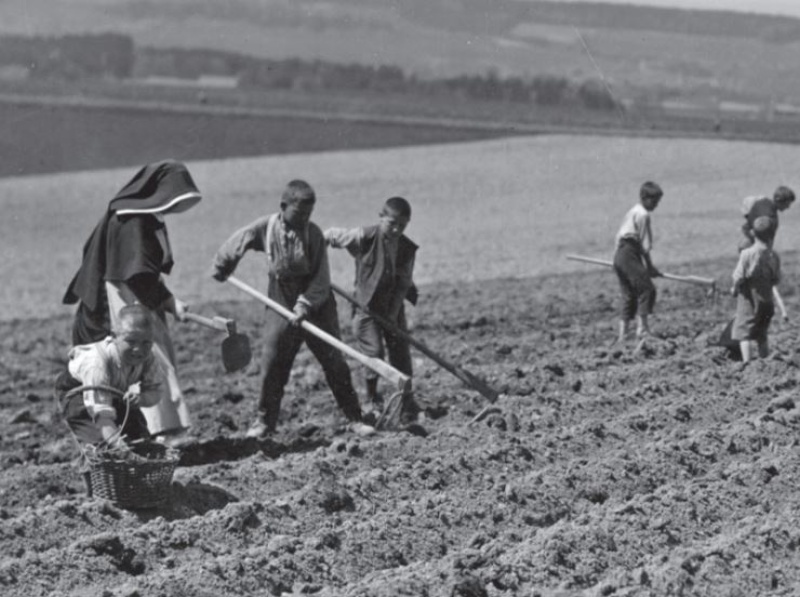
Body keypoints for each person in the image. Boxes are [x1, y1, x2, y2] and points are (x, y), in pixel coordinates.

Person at [211, 179, 374, 438]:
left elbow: (321, 280)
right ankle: (265, 421)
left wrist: (304, 306)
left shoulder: (314, 235)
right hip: (280, 298)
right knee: (273, 360)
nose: (303, 219)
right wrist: (223, 264)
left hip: (317, 301)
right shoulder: (267, 227)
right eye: (299, 213)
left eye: (308, 214)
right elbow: (240, 240)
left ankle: (354, 417)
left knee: (334, 362)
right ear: (283, 206)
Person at [62, 160, 201, 445]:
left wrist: (168, 301)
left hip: (133, 299)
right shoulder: (133, 222)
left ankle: (147, 433)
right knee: (142, 361)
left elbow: (143, 273)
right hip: (118, 306)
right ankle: (156, 433)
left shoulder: (141, 217)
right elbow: (136, 276)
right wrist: (171, 302)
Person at [324, 196, 420, 421]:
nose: (396, 229)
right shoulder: (364, 236)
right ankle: (371, 397)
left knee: (401, 352)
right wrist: (316, 246)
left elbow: (404, 283)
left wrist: (393, 315)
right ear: (381, 217)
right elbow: (332, 236)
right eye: (392, 223)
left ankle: (406, 399)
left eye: (402, 225)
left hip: (391, 308)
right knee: (374, 352)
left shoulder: (407, 249)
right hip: (365, 308)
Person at [55, 304, 165, 448]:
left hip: (113, 391)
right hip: (78, 393)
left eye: (146, 342)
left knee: (140, 437)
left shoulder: (149, 357)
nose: (138, 349)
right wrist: (120, 447)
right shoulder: (97, 363)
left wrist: (141, 399)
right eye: (130, 341)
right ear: (114, 336)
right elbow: (101, 414)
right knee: (102, 446)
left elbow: (155, 390)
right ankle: (87, 460)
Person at [612, 181, 663, 343]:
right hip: (629, 253)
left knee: (629, 294)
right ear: (645, 198)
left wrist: (618, 261)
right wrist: (650, 267)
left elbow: (619, 237)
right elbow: (644, 245)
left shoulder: (633, 211)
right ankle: (642, 330)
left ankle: (623, 335)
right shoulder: (643, 215)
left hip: (621, 254)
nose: (656, 205)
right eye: (654, 201)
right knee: (647, 289)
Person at [731, 216, 783, 363]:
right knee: (762, 333)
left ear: (753, 233)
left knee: (744, 332)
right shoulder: (774, 255)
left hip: (749, 298)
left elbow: (739, 276)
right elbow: (777, 278)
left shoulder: (747, 254)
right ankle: (765, 361)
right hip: (766, 299)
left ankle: (747, 363)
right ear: (773, 234)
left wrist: (734, 288)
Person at [738, 186, 794, 251]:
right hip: (752, 244)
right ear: (779, 200)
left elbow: (747, 203)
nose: (788, 207)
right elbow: (765, 237)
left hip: (748, 240)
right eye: (787, 203)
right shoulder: (769, 215)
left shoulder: (765, 202)